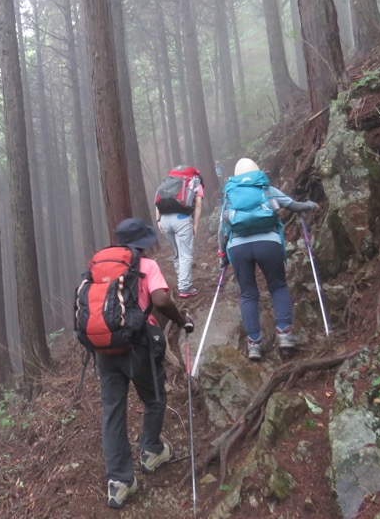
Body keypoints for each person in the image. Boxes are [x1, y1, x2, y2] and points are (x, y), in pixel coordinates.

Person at [98, 218, 195, 509]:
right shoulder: (147, 265)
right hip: (138, 345)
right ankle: (151, 450)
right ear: (142, 242)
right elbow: (161, 300)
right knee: (154, 399)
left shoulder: (102, 266)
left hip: (105, 349)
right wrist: (182, 320)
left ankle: (118, 482)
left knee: (113, 411)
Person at [218, 158, 319, 360]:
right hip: (268, 243)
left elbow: (222, 230)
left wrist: (223, 258)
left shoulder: (230, 196)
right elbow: (295, 206)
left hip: (238, 247)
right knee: (278, 286)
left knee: (248, 294)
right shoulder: (266, 190)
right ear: (257, 172)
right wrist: (310, 205)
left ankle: (254, 344)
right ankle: (284, 334)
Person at [155, 166, 204, 298]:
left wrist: (158, 220)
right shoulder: (195, 181)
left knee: (177, 253)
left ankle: (182, 281)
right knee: (186, 255)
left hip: (165, 220)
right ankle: (185, 287)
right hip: (181, 219)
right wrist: (195, 224)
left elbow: (157, 200)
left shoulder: (168, 181)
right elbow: (198, 203)